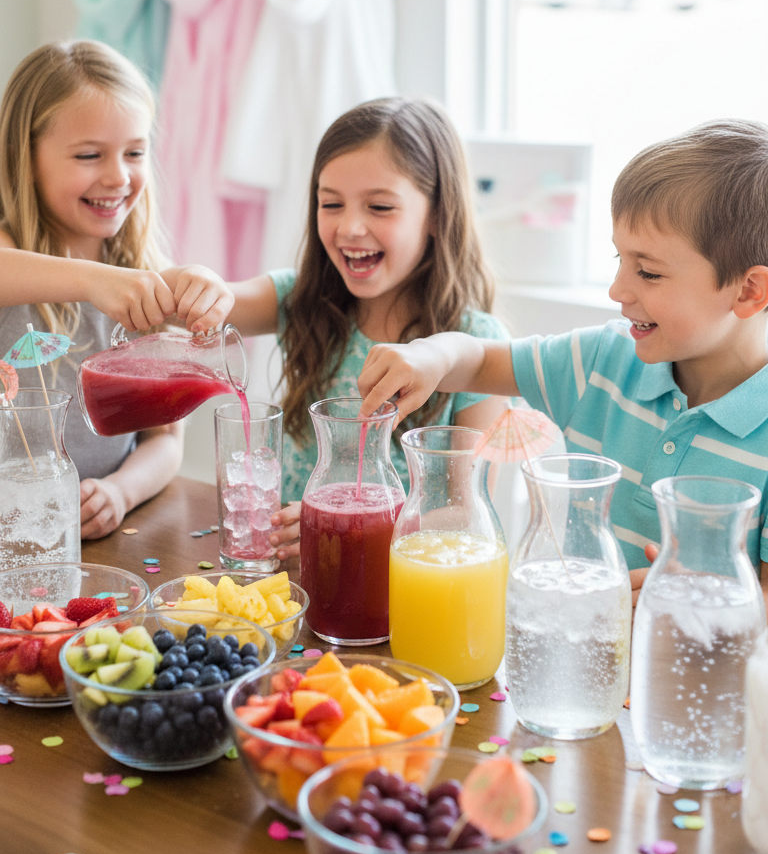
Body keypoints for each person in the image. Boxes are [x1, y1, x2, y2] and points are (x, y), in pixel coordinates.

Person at [358, 120, 768, 611]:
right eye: (619, 259)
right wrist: (432, 354)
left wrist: (702, 606)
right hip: (570, 649)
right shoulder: (602, 361)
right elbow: (478, 362)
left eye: (649, 272)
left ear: (748, 291)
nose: (617, 291)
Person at [221, 97, 510, 568]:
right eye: (330, 203)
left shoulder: (475, 348)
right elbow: (212, 303)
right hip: (304, 581)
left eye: (379, 206)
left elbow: (466, 512)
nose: (351, 227)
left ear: (438, 213)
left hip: (402, 591)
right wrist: (196, 288)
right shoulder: (300, 302)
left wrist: (343, 522)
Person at [0, 41, 229, 538]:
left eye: (135, 152)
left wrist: (121, 492)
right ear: (24, 155)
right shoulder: (12, 253)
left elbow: (165, 441)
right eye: (88, 154)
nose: (118, 176)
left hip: (88, 544)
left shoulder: (142, 280)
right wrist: (89, 279)